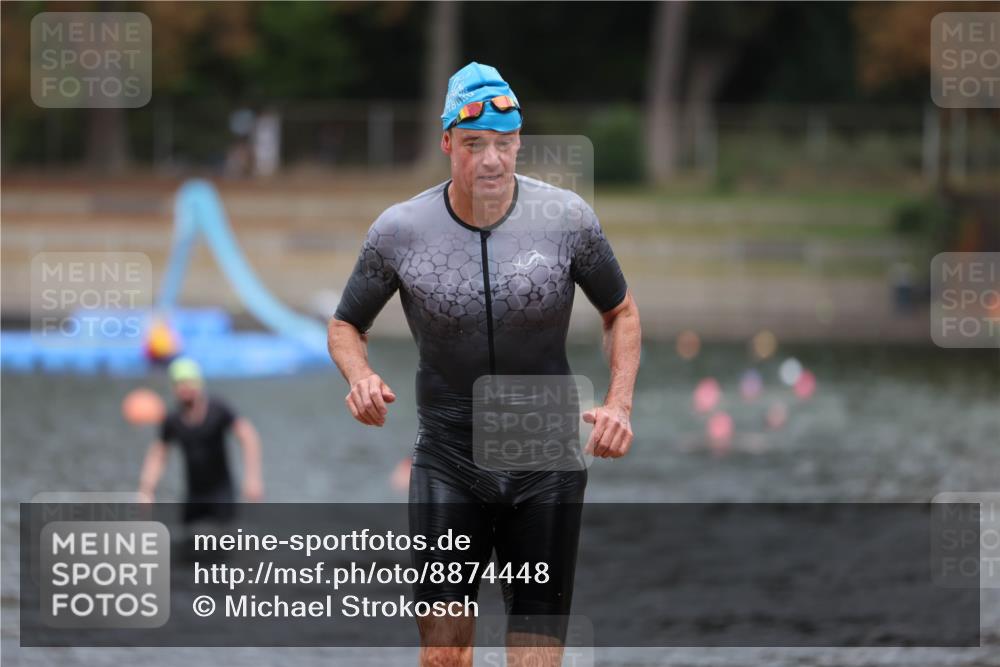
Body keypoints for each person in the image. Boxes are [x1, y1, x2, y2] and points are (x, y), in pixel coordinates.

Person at [328, 62, 641, 667]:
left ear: (519, 141)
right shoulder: (400, 231)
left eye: (503, 143)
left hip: (544, 453)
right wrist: (360, 375)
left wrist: (621, 401)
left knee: (534, 657)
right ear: (447, 142)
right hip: (448, 456)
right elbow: (345, 324)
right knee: (444, 650)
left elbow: (621, 311)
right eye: (474, 144)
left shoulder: (569, 220)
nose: (492, 159)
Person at [138, 357, 263, 524]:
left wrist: (253, 478)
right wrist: (146, 489)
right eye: (179, 384)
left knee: (225, 540)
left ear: (198, 384)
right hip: (194, 494)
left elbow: (248, 436)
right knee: (188, 540)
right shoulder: (173, 420)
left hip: (222, 494)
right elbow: (159, 453)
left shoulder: (218, 409)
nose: (184, 389)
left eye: (188, 383)